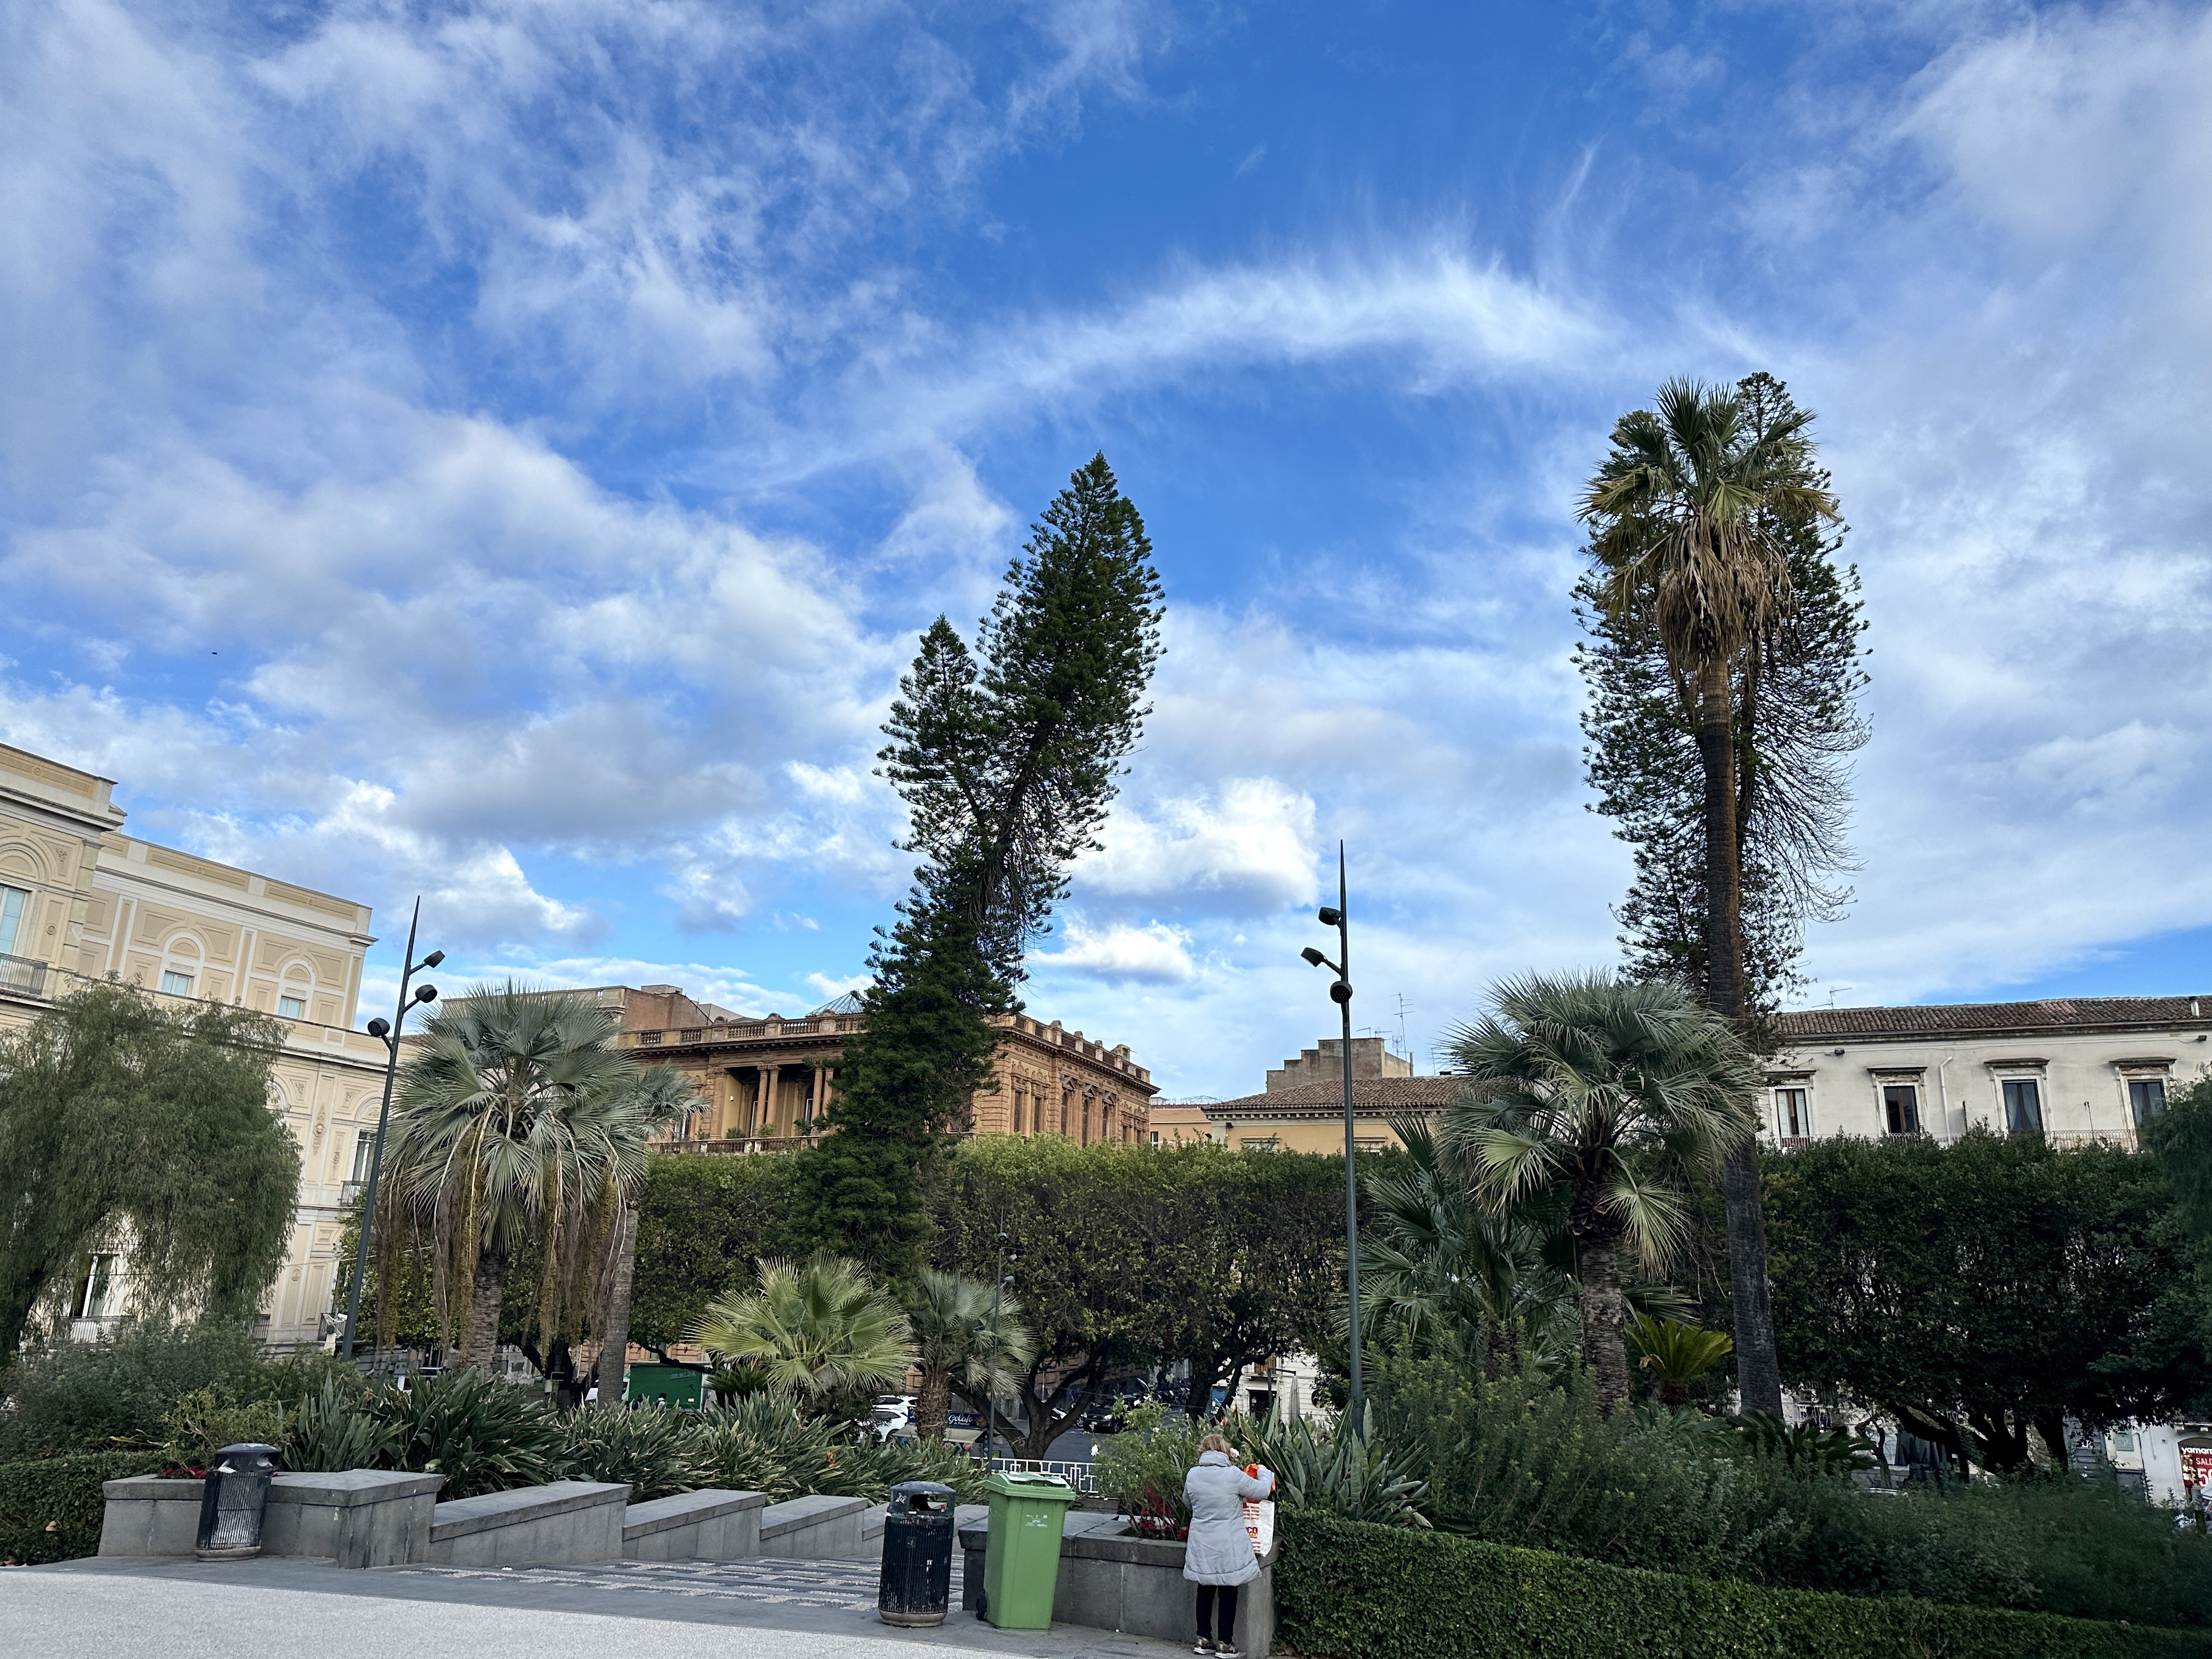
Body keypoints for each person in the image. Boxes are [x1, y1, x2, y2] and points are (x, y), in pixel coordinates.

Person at [1182, 1431, 1273, 1657]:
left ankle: (1203, 1639)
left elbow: (1187, 1501)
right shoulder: (1233, 1475)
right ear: (1225, 1451)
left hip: (1202, 1543)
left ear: (1203, 1451)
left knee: (1204, 1588)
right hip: (1228, 1544)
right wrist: (1264, 1471)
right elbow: (1262, 1491)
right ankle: (1225, 1644)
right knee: (1228, 1590)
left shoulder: (1193, 1474)